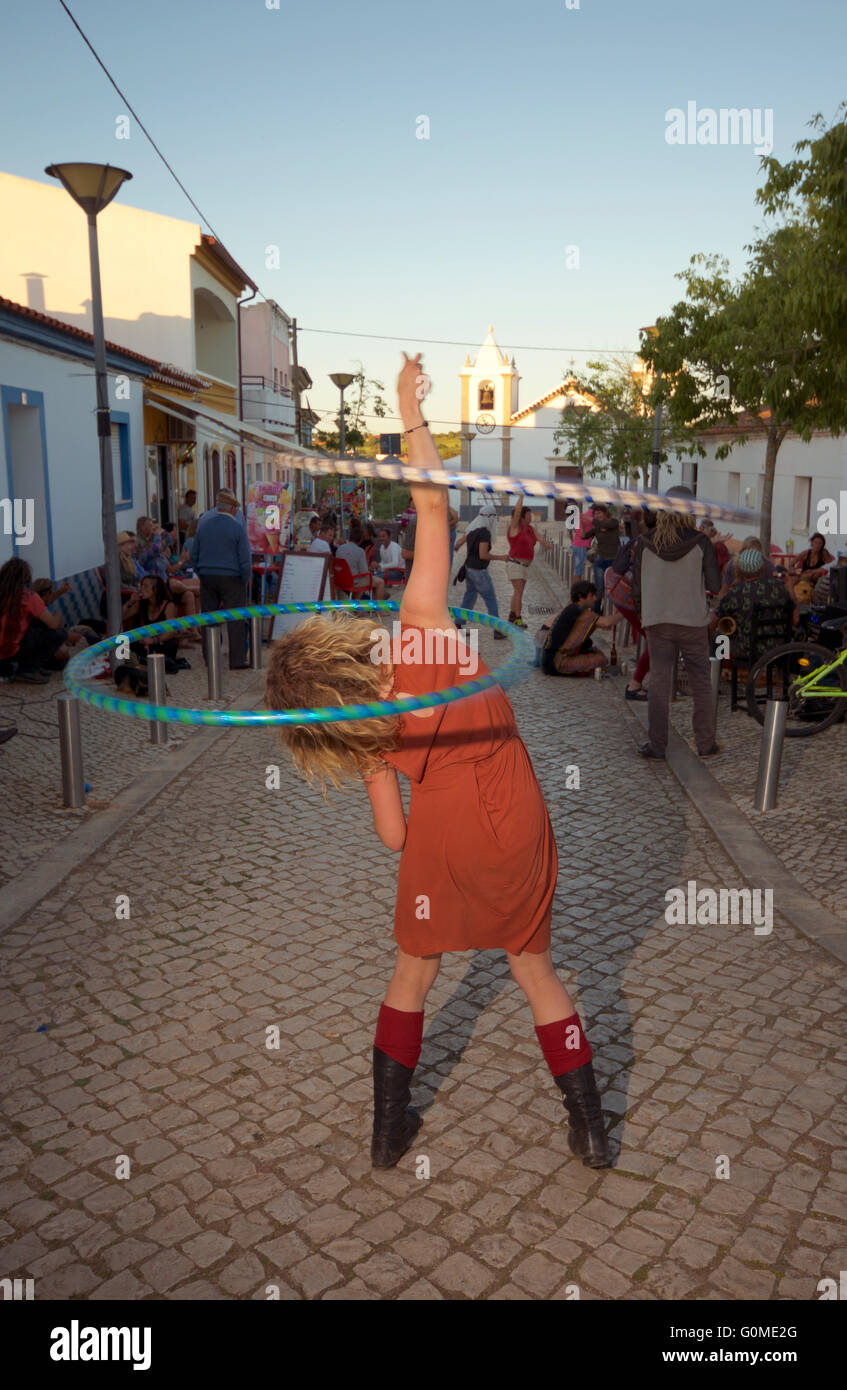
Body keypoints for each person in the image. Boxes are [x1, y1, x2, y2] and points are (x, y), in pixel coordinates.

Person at [264, 350, 611, 1172]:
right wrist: (410, 412)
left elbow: (392, 839)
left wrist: (381, 771)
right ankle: (590, 1128)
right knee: (535, 970)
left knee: (411, 975)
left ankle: (387, 1135)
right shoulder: (421, 621)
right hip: (516, 814)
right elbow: (432, 506)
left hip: (440, 841)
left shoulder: (366, 736)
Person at [632, 508, 722, 760]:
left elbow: (637, 586)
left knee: (659, 682)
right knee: (701, 682)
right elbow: (715, 586)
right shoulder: (701, 541)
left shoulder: (644, 542)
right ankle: (705, 743)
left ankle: (657, 745)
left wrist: (643, 614)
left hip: (657, 620)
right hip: (693, 621)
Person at [193, 488, 252, 670]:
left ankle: (210, 657)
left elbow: (194, 555)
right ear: (233, 509)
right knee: (235, 619)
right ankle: (237, 660)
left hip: (207, 576)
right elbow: (245, 558)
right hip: (232, 577)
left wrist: (201, 571)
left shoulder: (204, 526)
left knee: (209, 617)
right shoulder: (237, 529)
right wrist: (245, 577)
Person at [605, 509, 656, 700]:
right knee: (656, 640)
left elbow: (618, 567)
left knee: (654, 639)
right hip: (633, 599)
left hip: (623, 596)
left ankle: (643, 680)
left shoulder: (637, 541)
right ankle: (634, 685)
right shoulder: (656, 545)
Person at [715, 548, 795, 659]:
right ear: (763, 567)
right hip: (777, 649)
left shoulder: (735, 593)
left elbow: (716, 617)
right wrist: (790, 587)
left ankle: (718, 672)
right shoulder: (779, 588)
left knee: (718, 637)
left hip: (747, 650)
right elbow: (795, 620)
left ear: (739, 569)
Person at [0, 557, 71, 682]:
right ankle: (29, 669)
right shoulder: (28, 596)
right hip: (13, 651)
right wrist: (59, 614)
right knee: (59, 633)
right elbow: (53, 624)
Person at [453, 501, 508, 638]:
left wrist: (457, 548)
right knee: (490, 599)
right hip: (478, 571)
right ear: (491, 517)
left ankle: (457, 624)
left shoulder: (473, 528)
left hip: (469, 569)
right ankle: (497, 630)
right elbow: (483, 555)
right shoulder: (484, 533)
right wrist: (502, 557)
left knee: (469, 598)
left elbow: (459, 542)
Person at [540, 581, 616, 675]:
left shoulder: (574, 609)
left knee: (597, 654)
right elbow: (606, 623)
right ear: (581, 597)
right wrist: (624, 613)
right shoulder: (576, 610)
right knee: (600, 660)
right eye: (592, 596)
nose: (595, 599)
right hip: (555, 662)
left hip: (550, 659)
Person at [121, 574, 180, 666]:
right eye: (141, 585)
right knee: (124, 643)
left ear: (155, 589)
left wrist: (153, 640)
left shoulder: (168, 606)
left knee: (168, 646)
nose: (141, 589)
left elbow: (171, 632)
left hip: (160, 641)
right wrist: (130, 602)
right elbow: (122, 617)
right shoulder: (141, 604)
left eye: (145, 586)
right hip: (144, 642)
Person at [505, 498, 540, 627]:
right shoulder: (514, 527)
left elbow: (537, 537)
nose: (531, 517)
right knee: (518, 592)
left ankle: (512, 615)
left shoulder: (528, 529)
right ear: (521, 517)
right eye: (528, 515)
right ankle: (518, 619)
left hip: (524, 566)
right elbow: (517, 511)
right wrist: (521, 495)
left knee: (518, 592)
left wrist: (545, 543)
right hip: (516, 564)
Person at [585, 504, 621, 614]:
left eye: (599, 512)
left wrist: (591, 519)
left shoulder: (613, 522)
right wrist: (581, 528)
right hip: (600, 560)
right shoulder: (597, 527)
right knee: (599, 589)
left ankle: (613, 613)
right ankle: (596, 612)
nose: (597, 515)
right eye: (595, 513)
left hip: (613, 561)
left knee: (613, 589)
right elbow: (584, 536)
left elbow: (606, 526)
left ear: (605, 513)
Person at [571, 509, 593, 579]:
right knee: (578, 571)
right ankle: (576, 589)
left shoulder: (587, 514)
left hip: (577, 544)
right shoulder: (592, 515)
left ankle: (576, 588)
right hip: (581, 545)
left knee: (577, 570)